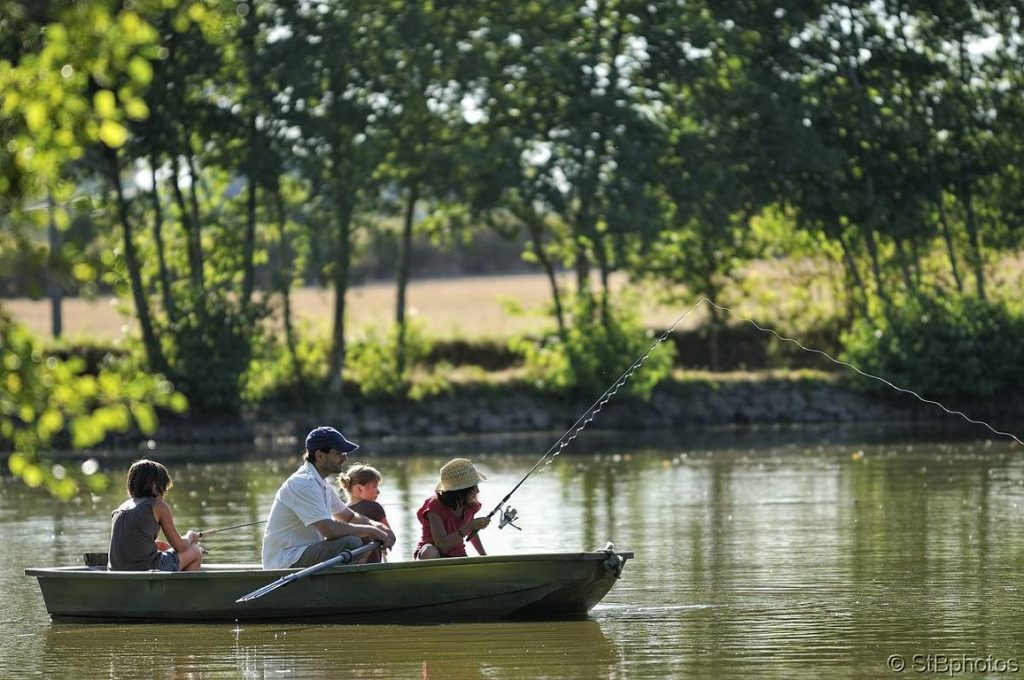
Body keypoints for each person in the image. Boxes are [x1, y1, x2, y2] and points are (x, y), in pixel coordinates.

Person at [261, 426, 395, 570]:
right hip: (285, 561)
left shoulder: (320, 483)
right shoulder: (304, 484)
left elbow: (349, 517)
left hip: (303, 554)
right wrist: (371, 531)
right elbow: (330, 531)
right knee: (351, 542)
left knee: (359, 534)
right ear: (319, 455)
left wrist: (379, 527)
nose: (345, 457)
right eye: (339, 453)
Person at [108, 459, 203, 572]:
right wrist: (191, 536)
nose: (164, 494)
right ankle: (180, 589)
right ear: (154, 486)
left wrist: (152, 545)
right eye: (164, 489)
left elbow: (128, 543)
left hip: (116, 570)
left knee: (166, 550)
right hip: (147, 568)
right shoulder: (158, 506)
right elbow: (180, 546)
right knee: (195, 551)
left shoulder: (120, 508)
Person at [414, 458, 490, 559]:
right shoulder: (435, 506)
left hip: (458, 556)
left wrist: (483, 556)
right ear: (460, 490)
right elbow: (441, 546)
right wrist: (470, 526)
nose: (477, 491)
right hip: (432, 555)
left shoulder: (470, 506)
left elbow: (472, 533)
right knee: (429, 551)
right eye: (473, 487)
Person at [339, 463, 390, 563]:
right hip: (371, 565)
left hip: (346, 563)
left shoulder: (340, 510)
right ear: (359, 489)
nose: (378, 492)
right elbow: (388, 534)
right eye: (375, 487)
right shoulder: (375, 507)